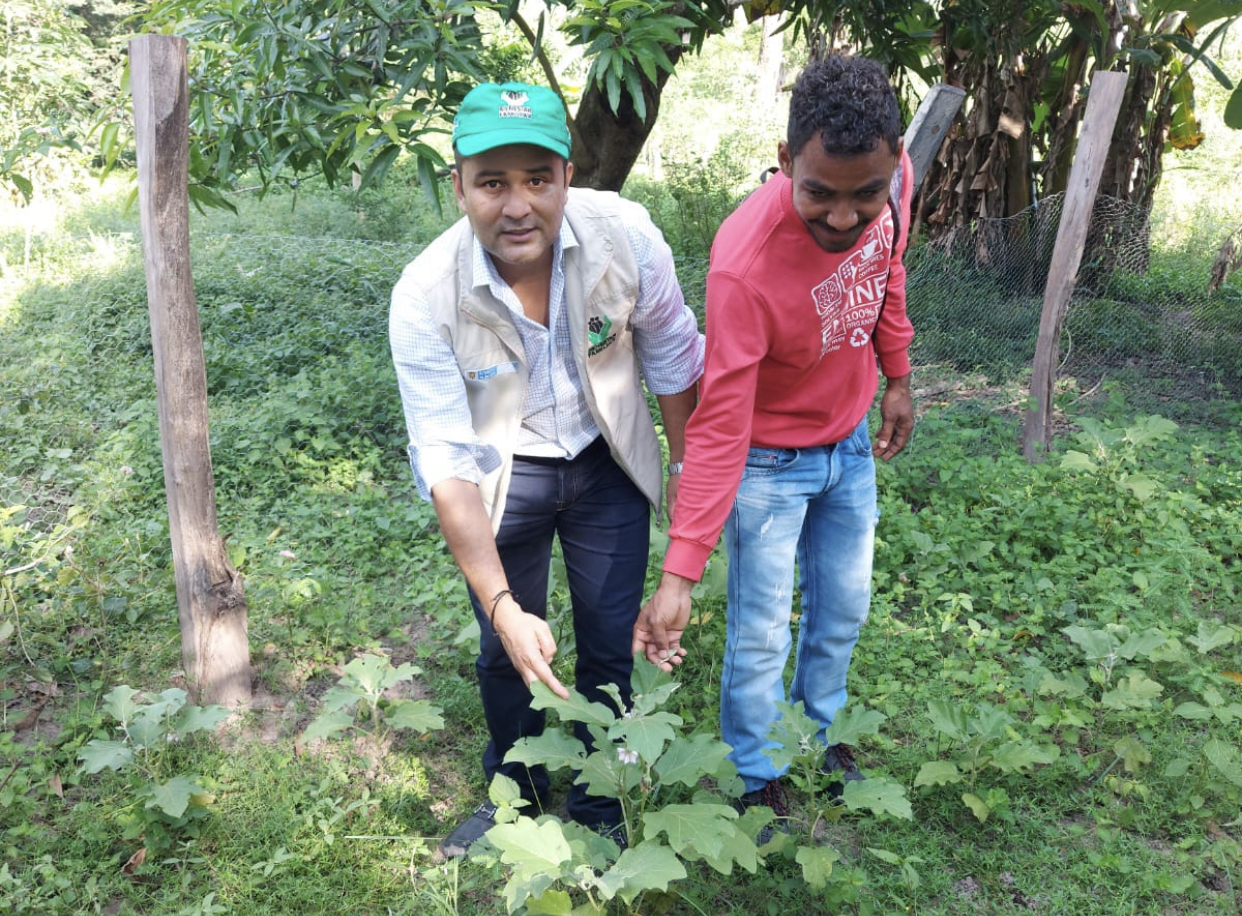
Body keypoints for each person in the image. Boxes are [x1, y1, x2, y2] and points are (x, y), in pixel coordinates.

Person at [389, 81, 703, 856]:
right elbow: (448, 464)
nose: (518, 204)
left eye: (538, 177)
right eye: (493, 182)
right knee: (507, 648)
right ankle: (516, 795)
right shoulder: (426, 296)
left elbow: (671, 363)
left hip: (605, 462)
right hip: (505, 472)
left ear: (568, 175)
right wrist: (501, 606)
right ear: (459, 185)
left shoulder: (626, 237)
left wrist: (690, 522)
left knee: (607, 641)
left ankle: (605, 798)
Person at [632, 55, 915, 823]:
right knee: (760, 629)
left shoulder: (892, 191)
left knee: (843, 610)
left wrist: (896, 374)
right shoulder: (744, 265)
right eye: (820, 193)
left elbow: (885, 275)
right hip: (767, 464)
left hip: (849, 447)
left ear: (894, 162)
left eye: (867, 195)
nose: (845, 217)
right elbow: (719, 421)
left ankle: (820, 737)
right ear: (787, 161)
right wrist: (681, 572)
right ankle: (756, 770)